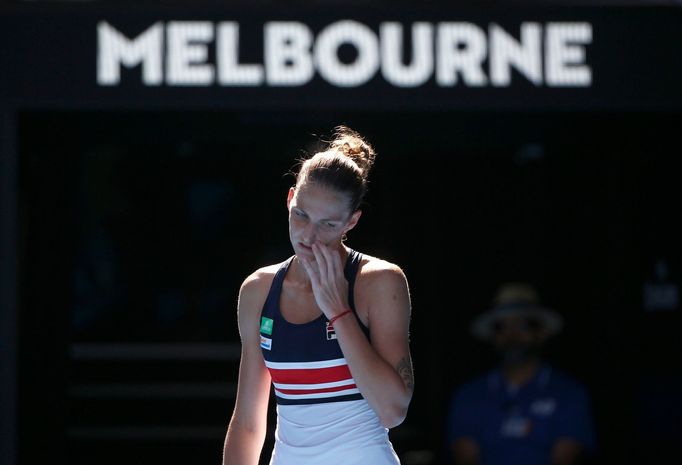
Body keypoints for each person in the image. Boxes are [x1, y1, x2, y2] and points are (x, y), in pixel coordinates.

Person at [222, 126, 414, 465]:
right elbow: (249, 423)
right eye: (301, 215)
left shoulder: (380, 281)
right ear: (289, 199)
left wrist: (339, 310)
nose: (309, 236)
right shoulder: (258, 289)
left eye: (327, 224)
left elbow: (393, 410)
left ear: (351, 222)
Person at [447, 283, 595, 465]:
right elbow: (466, 457)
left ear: (541, 332)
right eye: (502, 326)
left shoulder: (569, 393)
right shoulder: (469, 395)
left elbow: (565, 457)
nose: (512, 335)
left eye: (523, 325)